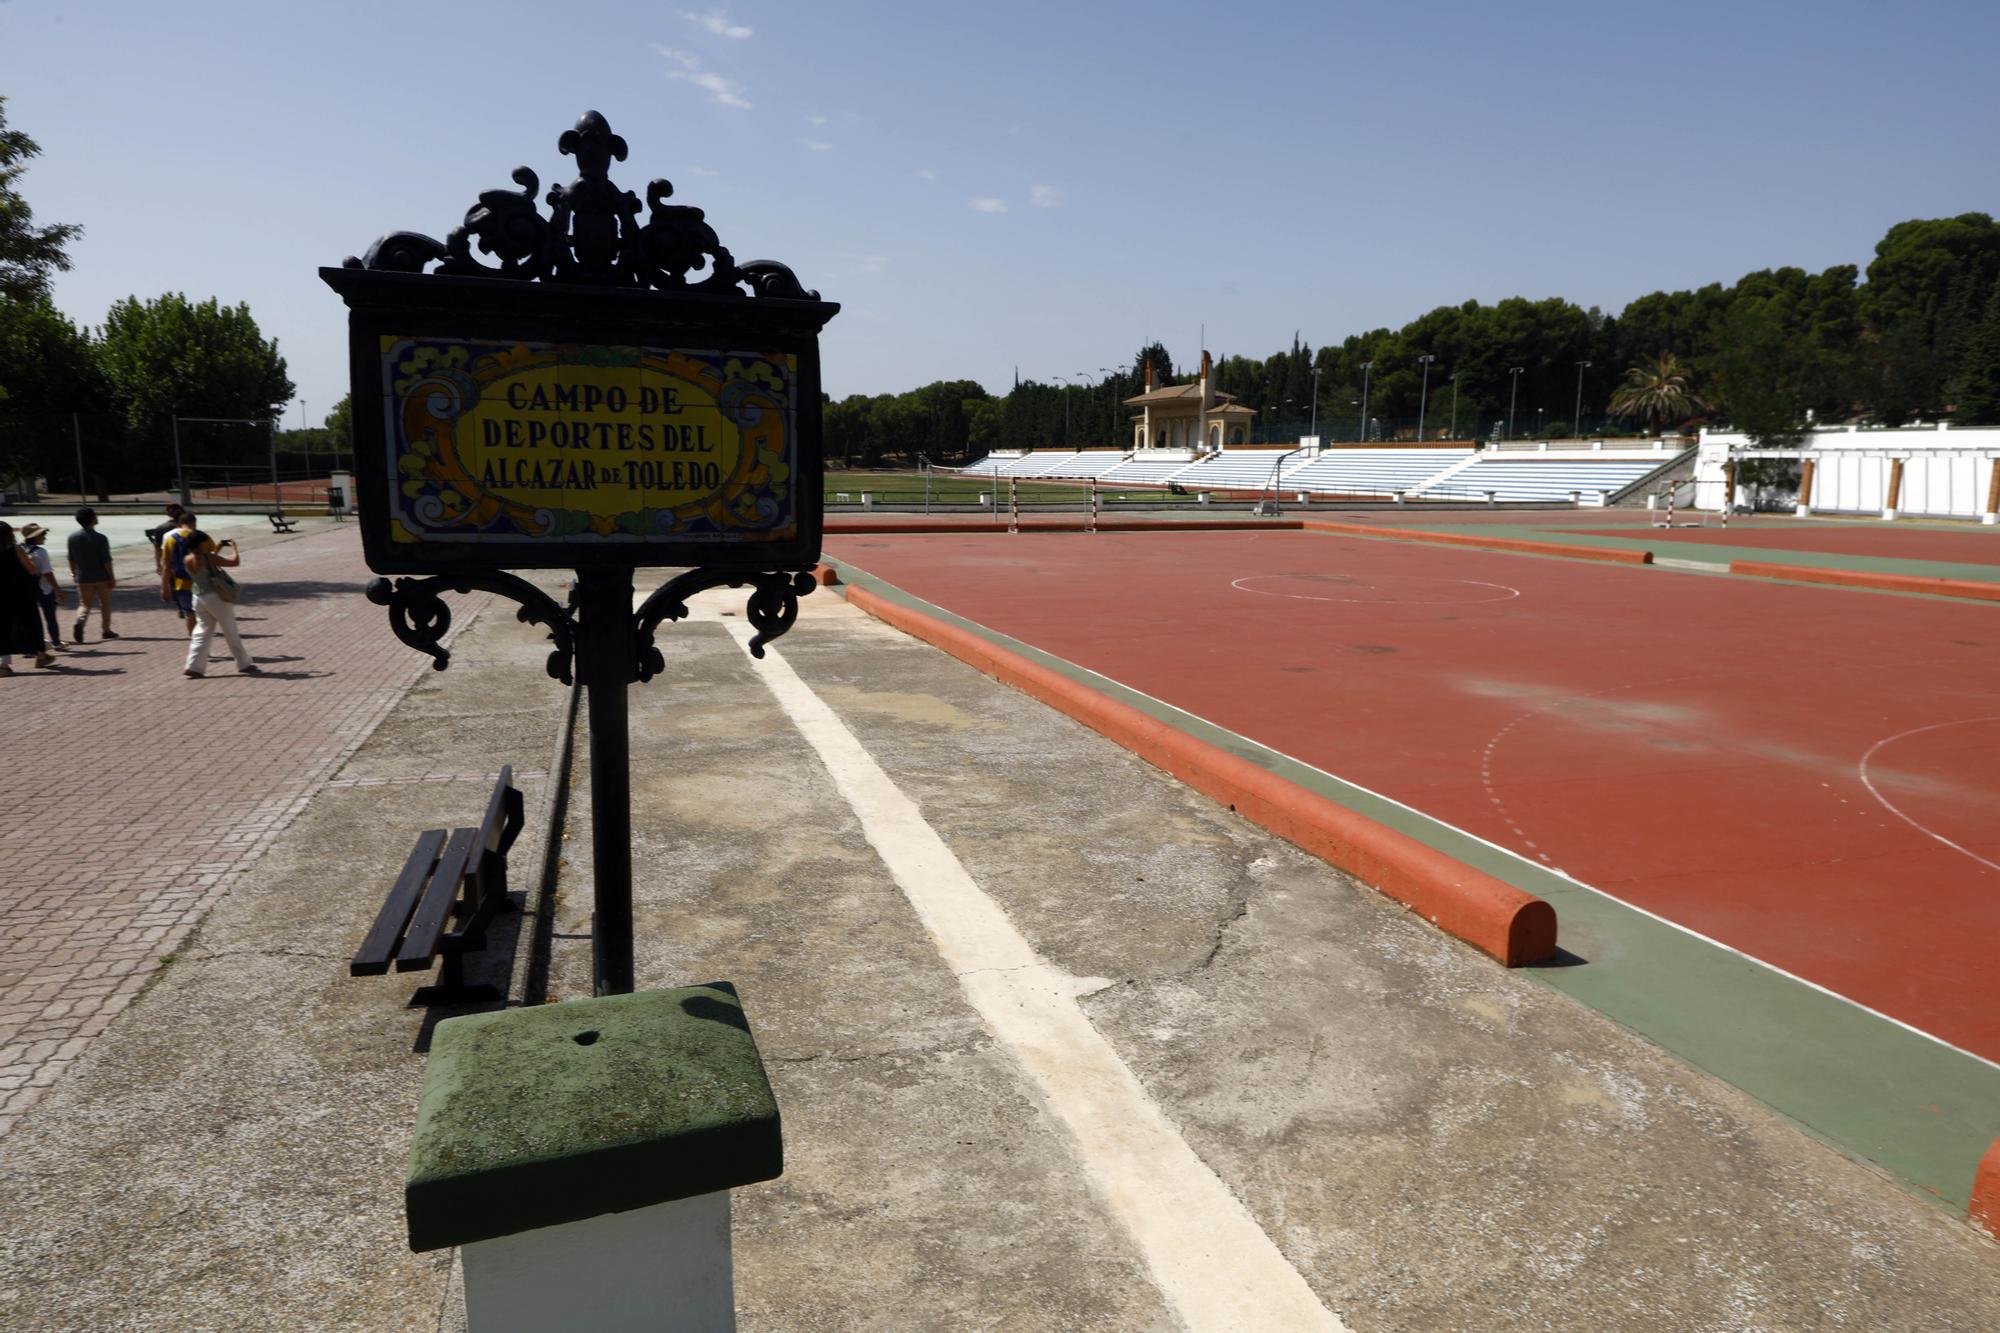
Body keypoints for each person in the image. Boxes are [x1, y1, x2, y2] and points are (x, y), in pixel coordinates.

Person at [181, 527, 258, 678]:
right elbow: (235, 562)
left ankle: (194, 665)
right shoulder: (209, 557)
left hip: (198, 598)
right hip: (216, 597)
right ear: (201, 543)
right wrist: (234, 547)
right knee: (230, 630)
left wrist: (218, 548)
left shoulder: (187, 559)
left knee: (201, 632)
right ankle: (243, 663)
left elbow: (206, 563)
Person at [0, 521, 55, 674]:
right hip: (20, 594)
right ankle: (41, 655)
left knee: (4, 628)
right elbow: (31, 569)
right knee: (31, 624)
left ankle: (3, 665)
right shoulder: (16, 549)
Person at [66, 507, 118, 642]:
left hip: (83, 576)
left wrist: (73, 573)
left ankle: (80, 621)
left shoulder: (72, 538)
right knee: (105, 603)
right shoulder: (100, 538)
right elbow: (106, 560)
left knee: (84, 604)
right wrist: (111, 577)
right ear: (92, 519)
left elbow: (71, 558)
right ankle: (106, 630)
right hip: (101, 576)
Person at [18, 523, 65, 651]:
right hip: (44, 589)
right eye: (43, 534)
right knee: (50, 617)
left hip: (26, 590)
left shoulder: (20, 550)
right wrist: (58, 589)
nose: (45, 537)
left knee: (29, 620)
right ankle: (56, 642)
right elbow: (47, 573)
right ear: (35, 537)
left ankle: (29, 646)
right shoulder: (41, 552)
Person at [158, 511, 199, 634]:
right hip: (201, 582)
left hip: (181, 582)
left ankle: (194, 641)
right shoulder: (201, 536)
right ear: (194, 523)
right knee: (204, 615)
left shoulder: (170, 538)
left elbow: (166, 566)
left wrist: (164, 587)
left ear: (179, 524)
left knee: (190, 614)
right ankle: (202, 643)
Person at [147, 503, 184, 574]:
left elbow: (157, 548)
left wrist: (158, 565)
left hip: (168, 561)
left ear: (167, 514)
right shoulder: (187, 526)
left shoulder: (161, 528)